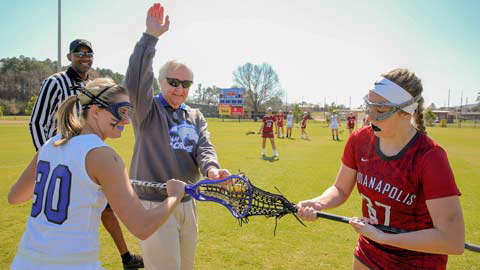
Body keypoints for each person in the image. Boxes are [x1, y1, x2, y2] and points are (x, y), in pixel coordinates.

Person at [9, 78, 185, 270]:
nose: (126, 120)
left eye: (128, 112)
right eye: (121, 111)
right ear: (95, 111)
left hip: (24, 262)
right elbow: (142, 227)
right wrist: (174, 196)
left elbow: (15, 196)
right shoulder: (104, 156)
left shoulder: (52, 143)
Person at [297, 68, 464, 270]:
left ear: (406, 112)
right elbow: (340, 189)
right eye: (369, 107)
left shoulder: (430, 157)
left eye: (381, 111)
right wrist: (318, 203)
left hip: (416, 261)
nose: (370, 118)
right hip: (370, 249)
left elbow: (452, 240)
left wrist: (384, 237)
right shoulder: (359, 140)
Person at [123, 3, 231, 269]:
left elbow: (204, 148)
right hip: (153, 204)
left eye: (186, 84)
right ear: (161, 82)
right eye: (174, 82)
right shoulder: (147, 110)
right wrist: (150, 38)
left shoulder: (194, 116)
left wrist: (213, 170)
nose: (180, 89)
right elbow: (136, 81)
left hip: (187, 202)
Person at [28, 39, 143, 269]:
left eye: (89, 53)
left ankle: (126, 256)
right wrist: (50, 157)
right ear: (69, 56)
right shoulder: (54, 82)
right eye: (79, 53)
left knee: (106, 206)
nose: (85, 57)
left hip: (89, 158)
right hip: (64, 161)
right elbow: (37, 122)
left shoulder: (94, 86)